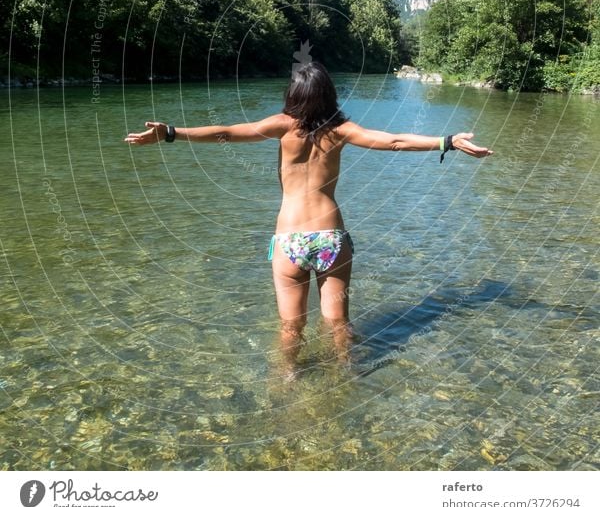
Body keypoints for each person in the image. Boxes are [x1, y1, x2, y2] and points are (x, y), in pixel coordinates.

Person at [124, 61, 493, 370]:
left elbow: (226, 133)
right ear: (329, 94)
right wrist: (448, 141)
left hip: (288, 242)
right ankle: (346, 373)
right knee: (338, 322)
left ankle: (287, 378)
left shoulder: (282, 126)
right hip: (331, 239)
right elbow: (394, 140)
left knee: (290, 326)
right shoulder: (342, 130)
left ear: (293, 95)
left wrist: (171, 133)